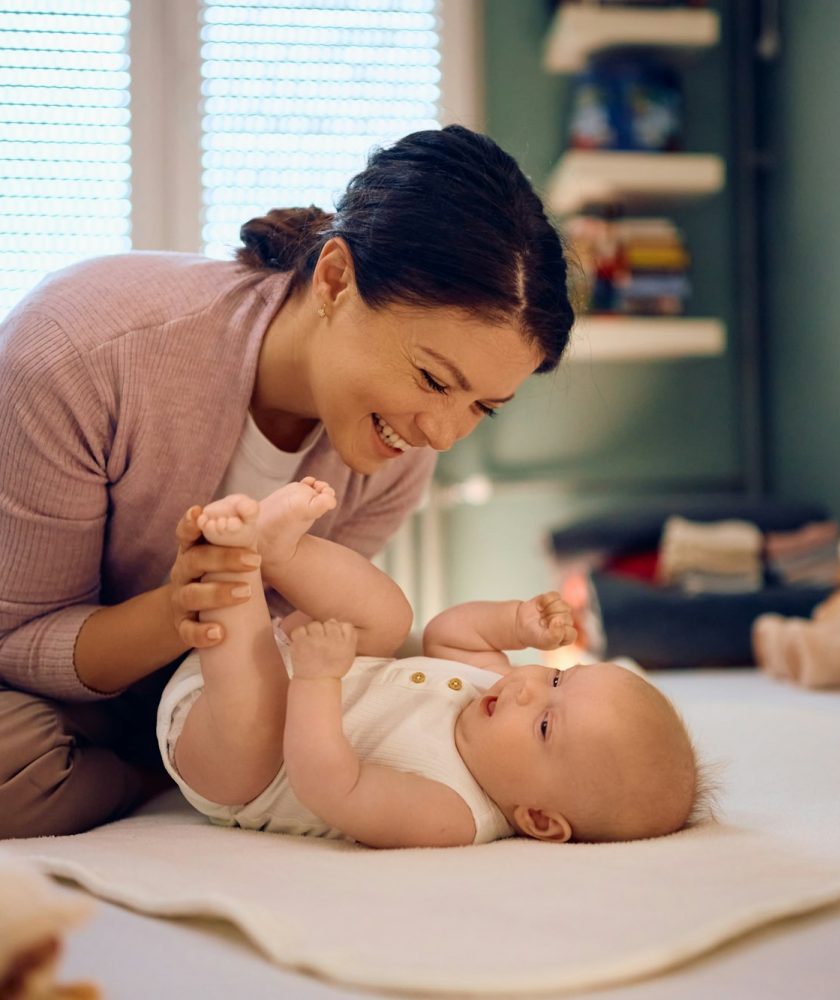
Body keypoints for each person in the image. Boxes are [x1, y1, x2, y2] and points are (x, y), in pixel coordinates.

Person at [0, 125, 575, 838]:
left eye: (482, 407)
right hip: (53, 686)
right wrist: (181, 608)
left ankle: (177, 771)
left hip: (226, 702)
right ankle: (151, 777)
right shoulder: (78, 351)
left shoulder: (402, 446)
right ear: (335, 280)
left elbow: (314, 641)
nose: (443, 433)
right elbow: (18, 640)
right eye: (433, 380)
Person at [158, 479, 699, 847]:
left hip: (232, 758)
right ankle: (279, 553)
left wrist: (320, 679)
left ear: (537, 818)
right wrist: (516, 621)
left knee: (261, 728)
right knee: (393, 619)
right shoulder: (497, 689)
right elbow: (449, 633)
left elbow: (331, 785)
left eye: (544, 725)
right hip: (283, 655)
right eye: (558, 676)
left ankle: (231, 571)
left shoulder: (452, 813)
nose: (529, 688)